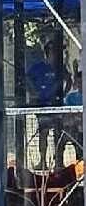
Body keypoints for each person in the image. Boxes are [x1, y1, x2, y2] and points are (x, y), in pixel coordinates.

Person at [26, 40, 71, 171]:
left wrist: (63, 93)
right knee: (43, 132)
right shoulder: (37, 67)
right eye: (52, 52)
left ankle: (59, 162)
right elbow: (27, 78)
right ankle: (42, 161)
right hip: (42, 105)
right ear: (47, 53)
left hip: (56, 105)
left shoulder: (60, 67)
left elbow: (68, 80)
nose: (55, 55)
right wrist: (33, 92)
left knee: (58, 133)